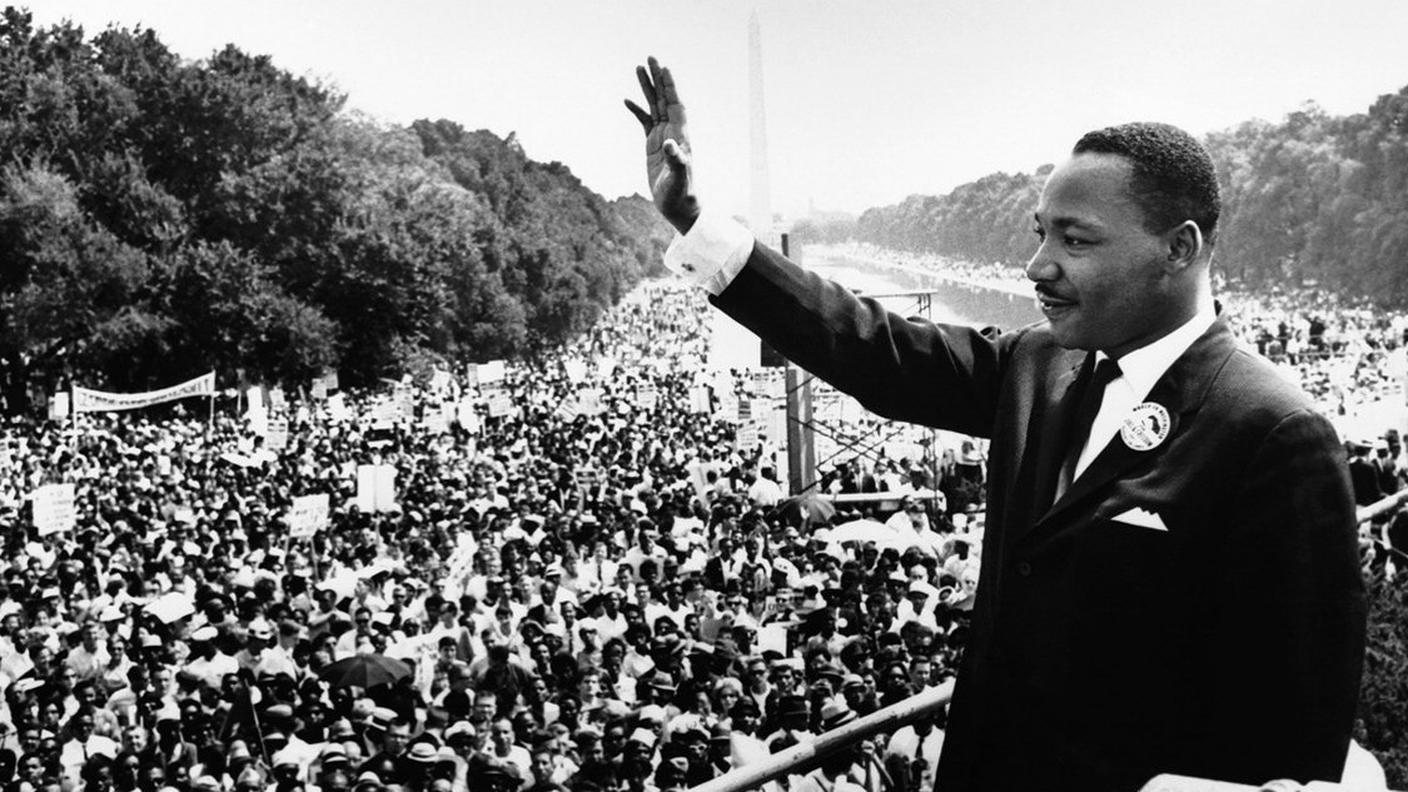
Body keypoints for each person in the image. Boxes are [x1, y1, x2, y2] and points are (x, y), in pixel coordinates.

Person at [625, 57, 1365, 789]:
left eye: (1075, 241)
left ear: (1180, 248)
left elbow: (1294, 739)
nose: (1036, 266)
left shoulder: (1274, 433)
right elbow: (868, 346)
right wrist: (697, 223)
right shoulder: (1038, 363)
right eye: (1040, 234)